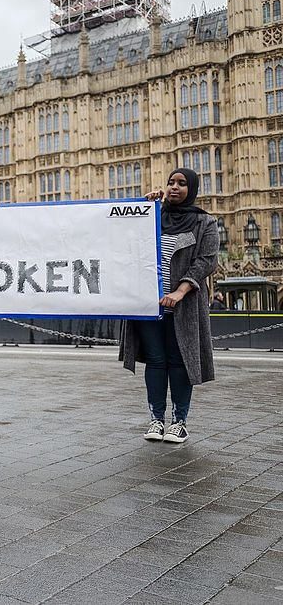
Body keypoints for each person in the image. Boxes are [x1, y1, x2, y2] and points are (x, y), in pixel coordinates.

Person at [120, 167, 218, 444]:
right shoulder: (152, 217)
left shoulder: (204, 222)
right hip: (149, 304)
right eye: (171, 182)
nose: (175, 187)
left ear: (192, 189)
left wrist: (180, 290)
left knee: (179, 361)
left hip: (183, 304)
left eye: (182, 183)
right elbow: (122, 239)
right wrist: (143, 206)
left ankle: (179, 422)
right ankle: (156, 419)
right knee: (156, 361)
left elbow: (206, 261)